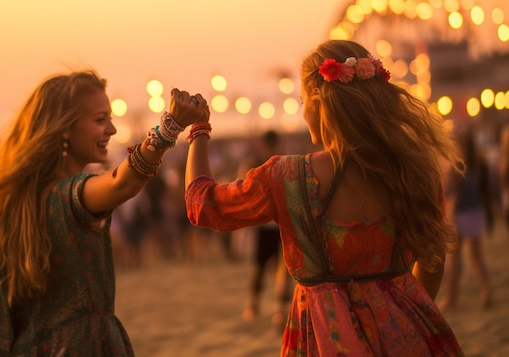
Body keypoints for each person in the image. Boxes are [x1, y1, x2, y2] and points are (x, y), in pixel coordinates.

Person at [184, 40, 464, 356]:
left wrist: (199, 130)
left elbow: (202, 206)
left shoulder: (286, 177)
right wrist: (399, 308)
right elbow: (433, 260)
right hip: (407, 333)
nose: (303, 110)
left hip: (324, 338)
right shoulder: (413, 169)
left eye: (304, 100)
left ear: (320, 104)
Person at [0, 70, 206, 356]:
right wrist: (168, 128)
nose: (112, 130)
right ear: (64, 128)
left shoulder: (11, 208)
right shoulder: (68, 196)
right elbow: (122, 182)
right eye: (100, 120)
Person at [239, 130, 292, 329]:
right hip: (271, 224)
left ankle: (265, 306)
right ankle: (262, 305)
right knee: (264, 266)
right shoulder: (274, 162)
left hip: (273, 224)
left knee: (275, 267)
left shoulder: (266, 162)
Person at [439, 123, 492, 311]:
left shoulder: (456, 168)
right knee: (476, 257)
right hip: (476, 212)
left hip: (460, 215)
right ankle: (486, 290)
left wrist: (448, 221)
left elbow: (453, 197)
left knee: (454, 261)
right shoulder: (476, 164)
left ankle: (452, 299)